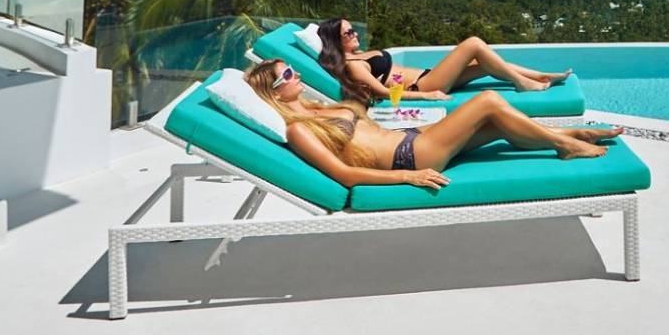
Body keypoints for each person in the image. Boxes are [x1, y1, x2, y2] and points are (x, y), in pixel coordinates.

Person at [245, 58, 619, 188]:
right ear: (275, 94)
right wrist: (409, 176)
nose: (295, 77)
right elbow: (343, 173)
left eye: (292, 70)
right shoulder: (297, 129)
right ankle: (566, 145)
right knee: (488, 101)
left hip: (408, 138)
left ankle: (568, 134)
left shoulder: (313, 109)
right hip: (411, 156)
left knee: (497, 124)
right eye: (287, 75)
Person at [314, 16, 570, 103]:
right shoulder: (352, 66)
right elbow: (382, 93)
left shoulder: (359, 56)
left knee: (484, 63)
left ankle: (540, 76)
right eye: (348, 33)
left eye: (352, 29)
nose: (354, 32)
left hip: (427, 76)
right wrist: (426, 95)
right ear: (337, 41)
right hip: (424, 86)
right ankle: (522, 83)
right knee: (473, 43)